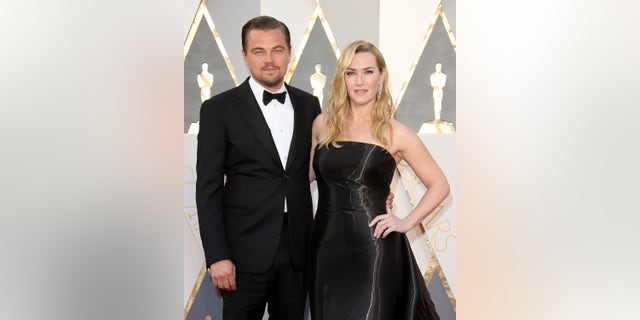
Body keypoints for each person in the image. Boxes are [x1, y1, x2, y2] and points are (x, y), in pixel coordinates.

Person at [309, 40, 450, 319]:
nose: (360, 81)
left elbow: (440, 185)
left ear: (381, 76)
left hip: (373, 247)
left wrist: (405, 222)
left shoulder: (396, 133)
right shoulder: (322, 124)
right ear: (342, 79)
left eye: (368, 72)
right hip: (325, 247)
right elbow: (304, 177)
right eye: (351, 73)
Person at [196, 16, 321, 320]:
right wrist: (218, 257)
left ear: (289, 52)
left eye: (277, 50)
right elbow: (208, 189)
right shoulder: (218, 109)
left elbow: (324, 168)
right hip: (242, 254)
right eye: (259, 51)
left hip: (298, 251)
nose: (269, 60)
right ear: (244, 55)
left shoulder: (310, 106)